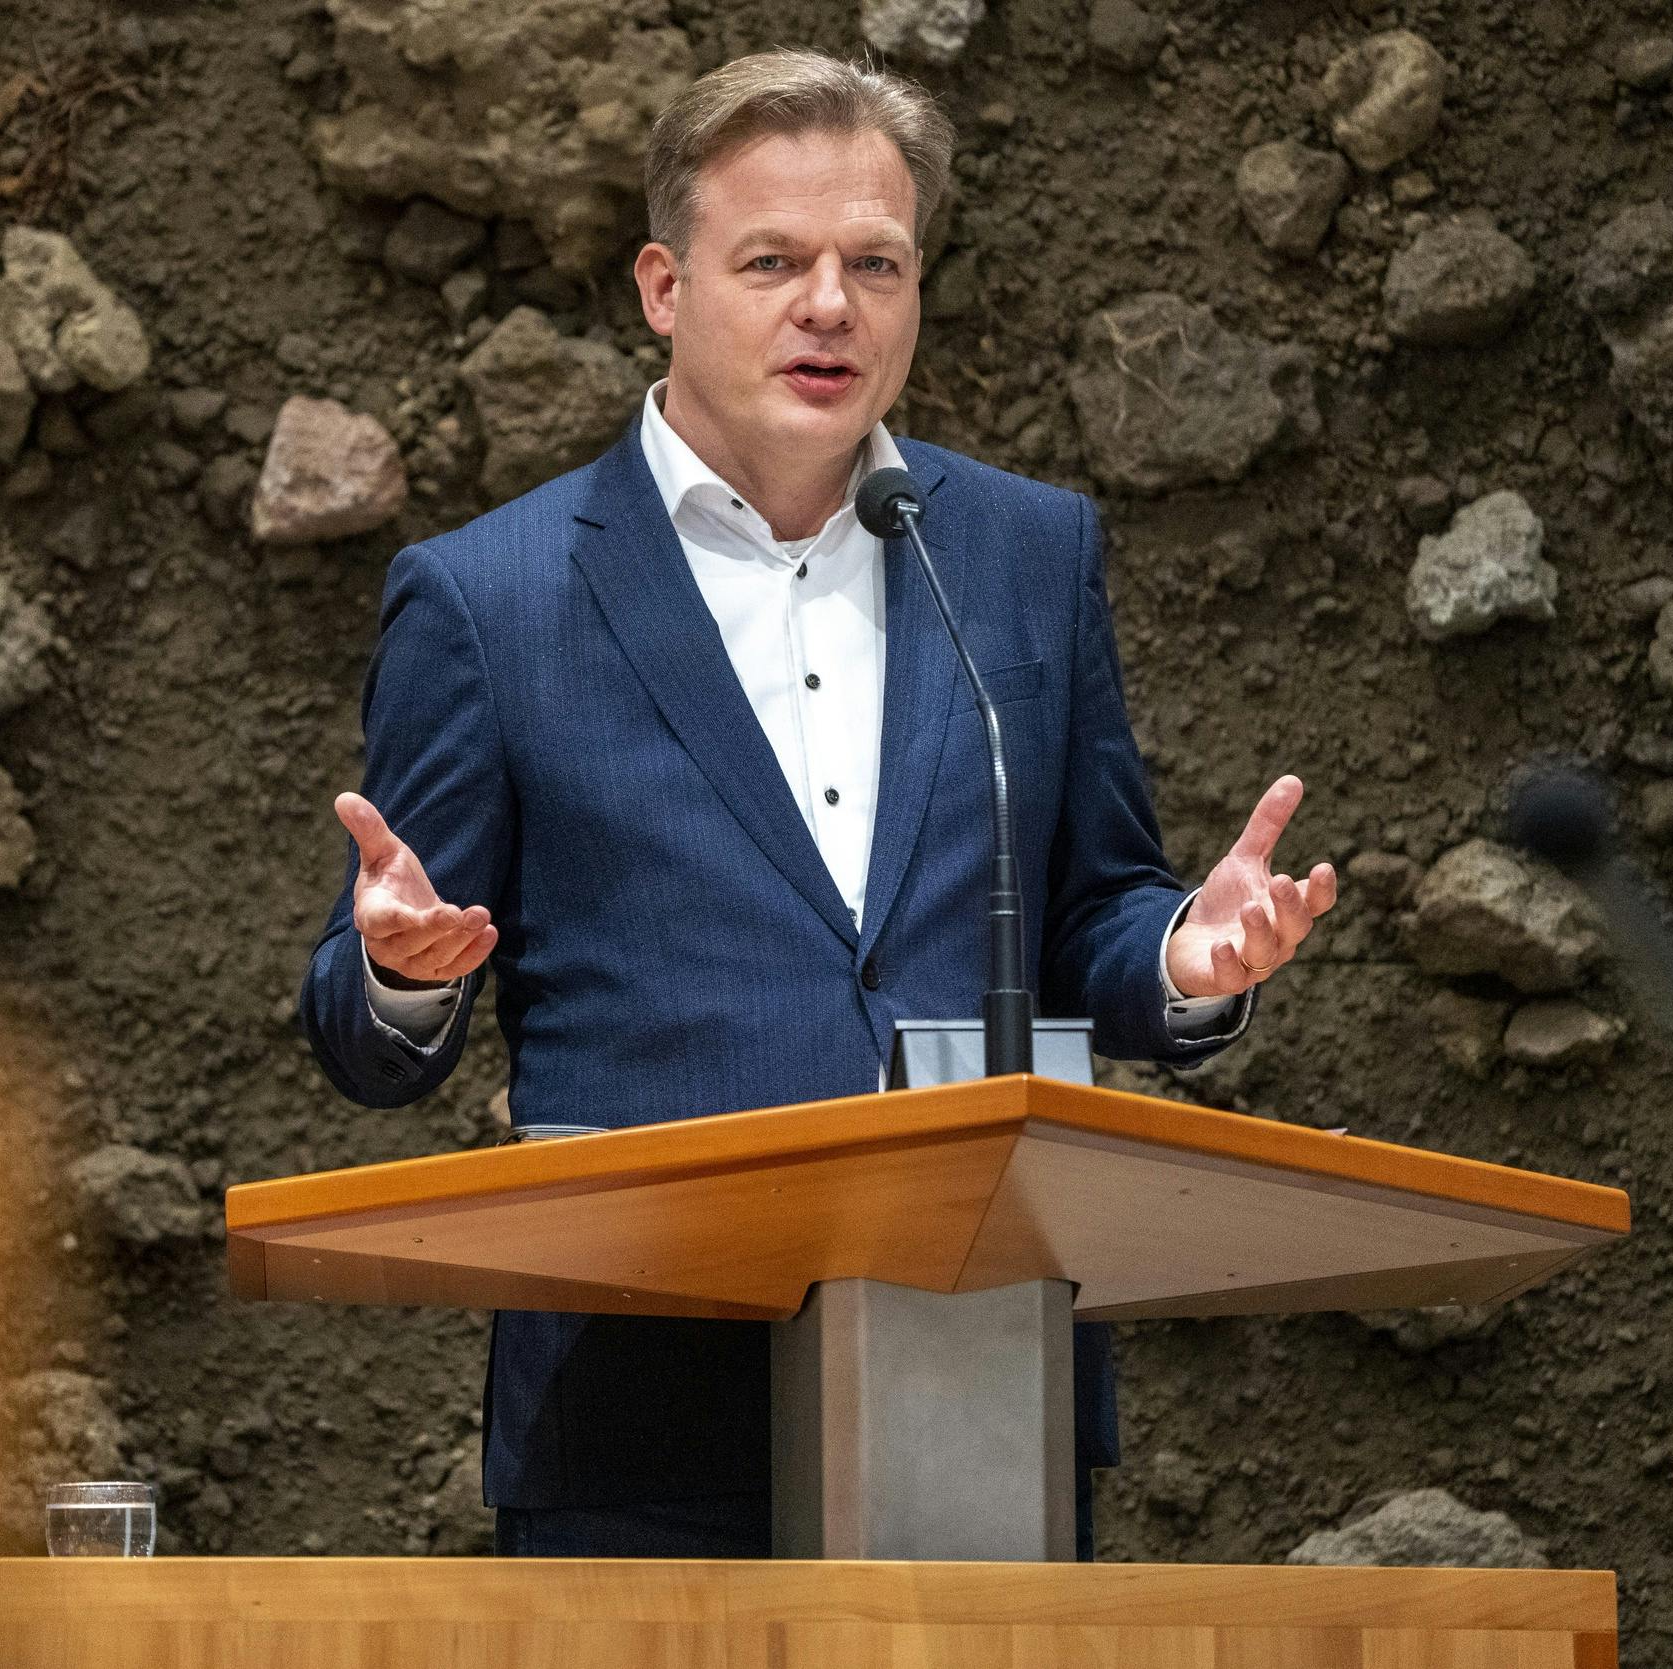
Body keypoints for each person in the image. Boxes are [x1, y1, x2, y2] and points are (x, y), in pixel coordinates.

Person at [298, 48, 1337, 1560]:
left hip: (982, 1380)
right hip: (641, 1413)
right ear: (664, 287)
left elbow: (1088, 915)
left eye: (877, 263)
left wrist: (1183, 954)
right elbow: (360, 1032)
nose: (832, 306)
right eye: (774, 261)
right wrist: (399, 970)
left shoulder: (1025, 552)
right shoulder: (492, 598)